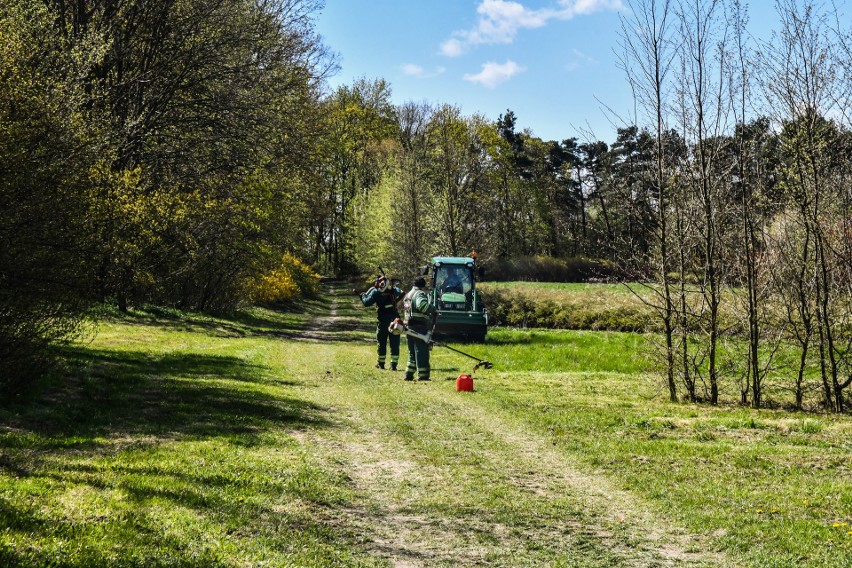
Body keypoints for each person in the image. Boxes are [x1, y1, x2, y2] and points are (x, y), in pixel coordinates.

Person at [356, 275, 403, 370]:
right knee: (395, 342)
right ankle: (394, 365)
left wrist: (362, 296)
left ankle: (381, 363)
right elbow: (402, 293)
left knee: (382, 341)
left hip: (383, 320)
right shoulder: (393, 290)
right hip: (395, 320)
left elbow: (366, 303)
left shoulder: (375, 292)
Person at [402, 277, 437, 381]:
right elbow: (422, 305)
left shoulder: (408, 294)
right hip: (419, 326)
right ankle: (423, 375)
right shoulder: (419, 294)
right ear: (423, 286)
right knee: (422, 351)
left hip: (409, 326)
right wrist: (433, 309)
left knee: (412, 351)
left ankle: (409, 373)